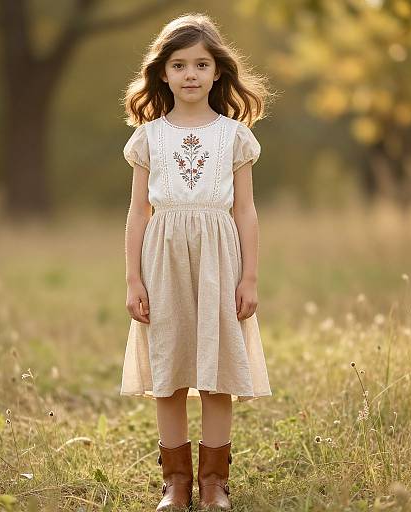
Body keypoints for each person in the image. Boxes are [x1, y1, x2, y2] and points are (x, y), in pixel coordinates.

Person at [120, 12, 276, 511]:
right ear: (161, 73)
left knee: (216, 370)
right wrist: (132, 279)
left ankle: (214, 483)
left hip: (218, 261)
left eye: (201, 64)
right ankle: (175, 483)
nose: (190, 74)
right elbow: (137, 211)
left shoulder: (234, 136)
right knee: (168, 369)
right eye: (179, 64)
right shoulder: (150, 137)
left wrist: (249, 276)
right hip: (162, 259)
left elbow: (246, 210)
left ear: (217, 72)